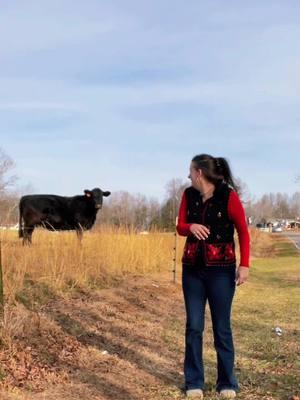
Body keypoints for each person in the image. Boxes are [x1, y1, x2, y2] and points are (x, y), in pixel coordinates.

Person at [176, 154, 250, 399]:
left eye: (190, 171)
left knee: (222, 327)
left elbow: (243, 231)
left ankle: (227, 382)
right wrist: (190, 227)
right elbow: (180, 226)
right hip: (192, 271)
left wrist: (245, 265)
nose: (188, 176)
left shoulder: (228, 196)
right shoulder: (188, 196)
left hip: (222, 271)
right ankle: (194, 382)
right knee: (194, 327)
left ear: (199, 173)